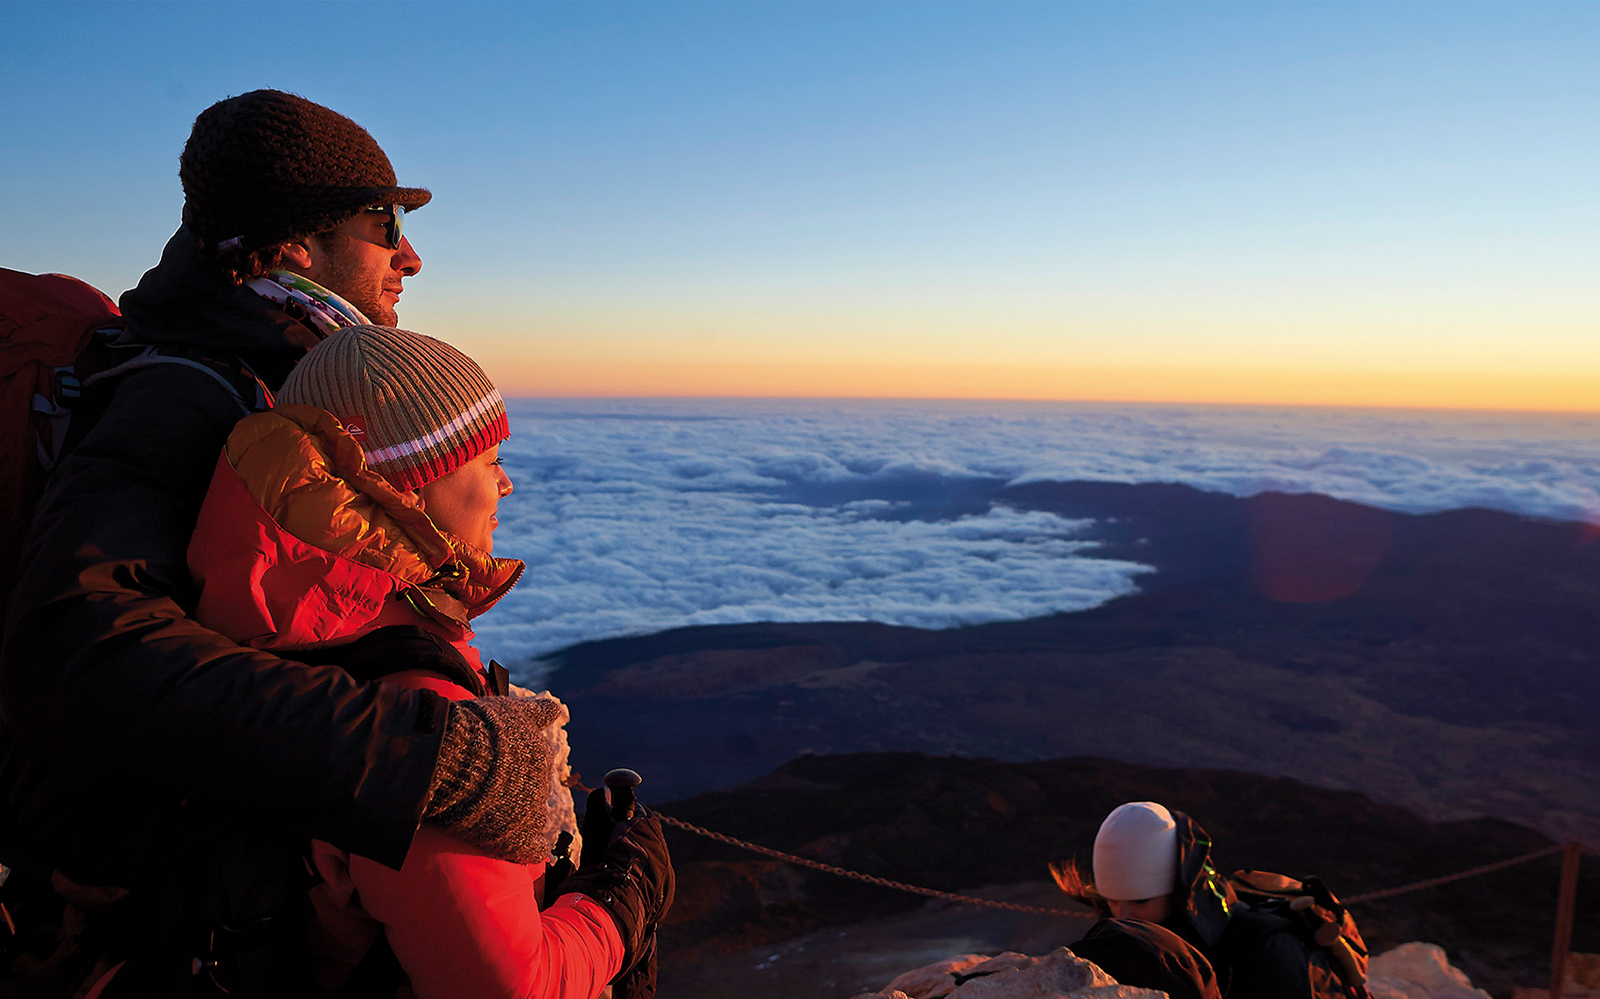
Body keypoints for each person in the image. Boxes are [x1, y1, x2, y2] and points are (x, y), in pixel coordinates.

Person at [0, 90, 589, 986]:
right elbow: (75, 653)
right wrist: (435, 752)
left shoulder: (275, 378)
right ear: (291, 249)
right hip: (162, 907)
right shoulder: (185, 396)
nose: (411, 255)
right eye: (385, 223)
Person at [172, 324, 669, 998]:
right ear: (406, 486)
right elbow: (508, 988)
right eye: (488, 460)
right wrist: (620, 902)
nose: (507, 483)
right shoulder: (423, 721)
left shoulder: (272, 630)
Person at [1055, 801, 1317, 999]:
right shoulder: (1120, 945)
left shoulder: (1266, 948)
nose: (1122, 915)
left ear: (1176, 892)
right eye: (1111, 901)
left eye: (1141, 902)